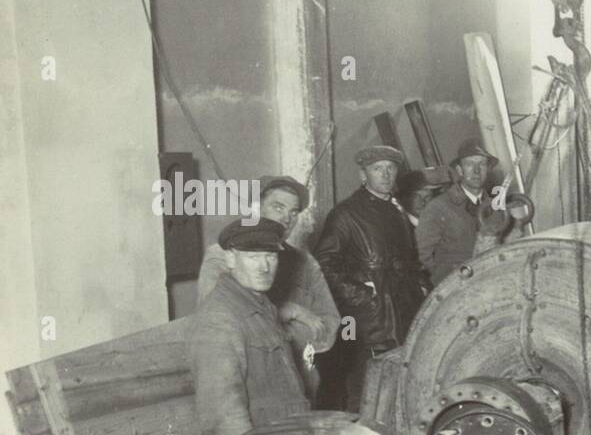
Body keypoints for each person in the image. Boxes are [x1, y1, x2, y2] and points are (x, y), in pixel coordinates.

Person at [196, 176, 338, 400]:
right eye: (277, 207)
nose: (286, 218)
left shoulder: (304, 262)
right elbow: (219, 323)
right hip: (248, 390)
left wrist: (278, 335)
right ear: (257, 208)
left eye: (294, 212)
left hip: (304, 387)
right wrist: (294, 312)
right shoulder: (223, 255)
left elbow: (329, 325)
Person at [314, 145, 429, 411]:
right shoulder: (346, 214)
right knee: (367, 393)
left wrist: (421, 286)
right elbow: (323, 263)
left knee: (400, 389)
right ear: (362, 175)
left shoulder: (397, 211)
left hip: (404, 315)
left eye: (391, 169)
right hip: (369, 325)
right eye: (377, 169)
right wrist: (363, 296)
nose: (386, 174)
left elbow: (409, 261)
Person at [188, 219, 310, 435]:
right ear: (231, 259)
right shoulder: (219, 320)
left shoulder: (262, 308)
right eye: (253, 257)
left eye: (271, 256)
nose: (264, 267)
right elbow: (223, 420)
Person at [418, 138, 512, 288]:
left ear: (487, 169)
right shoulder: (437, 208)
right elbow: (425, 256)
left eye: (481, 164)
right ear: (460, 170)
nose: (476, 171)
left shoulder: (496, 208)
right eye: (469, 164)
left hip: (493, 281)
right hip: (457, 287)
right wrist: (449, 281)